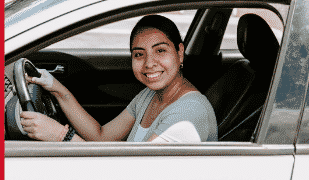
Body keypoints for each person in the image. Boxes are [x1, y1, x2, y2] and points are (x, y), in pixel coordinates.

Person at [20, 15, 218, 143]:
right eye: (139, 54)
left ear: (180, 52)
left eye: (160, 50)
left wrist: (61, 136)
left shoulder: (189, 114)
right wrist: (55, 88)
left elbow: (129, 177)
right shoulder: (149, 95)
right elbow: (101, 136)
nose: (149, 63)